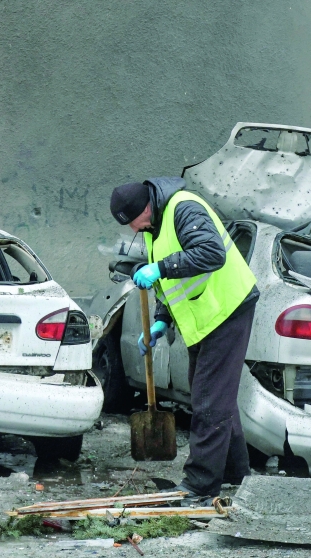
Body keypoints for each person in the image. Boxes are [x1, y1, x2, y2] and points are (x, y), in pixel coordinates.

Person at [110, 177, 259, 499]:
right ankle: (237, 474)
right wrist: (161, 322)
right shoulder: (155, 228)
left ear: (144, 208)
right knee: (214, 397)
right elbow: (172, 286)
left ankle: (200, 483)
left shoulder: (184, 208)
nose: (134, 230)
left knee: (209, 401)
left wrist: (160, 267)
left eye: (132, 222)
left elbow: (211, 254)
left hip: (228, 309)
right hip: (204, 318)